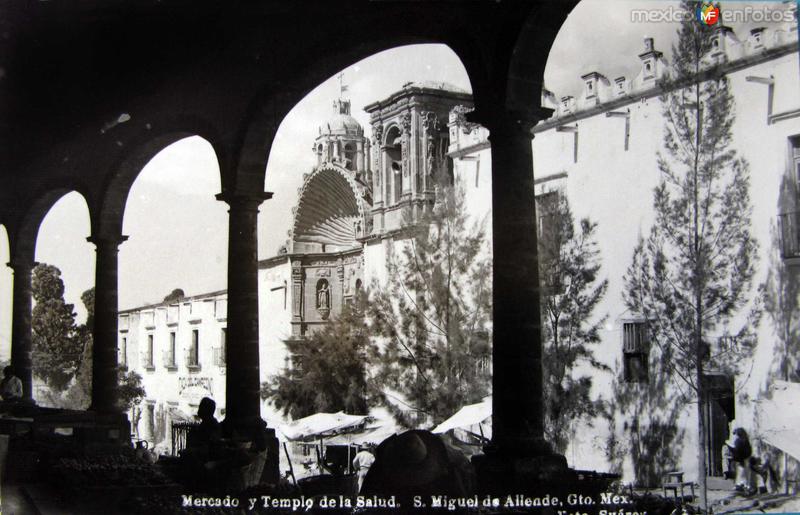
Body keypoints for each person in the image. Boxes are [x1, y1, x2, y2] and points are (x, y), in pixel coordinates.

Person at [726, 427, 752, 493]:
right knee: (743, 473)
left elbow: (738, 450)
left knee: (742, 473)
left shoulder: (739, 441)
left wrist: (732, 449)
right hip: (743, 458)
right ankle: (744, 486)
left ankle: (743, 486)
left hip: (742, 458)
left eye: (736, 434)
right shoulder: (745, 440)